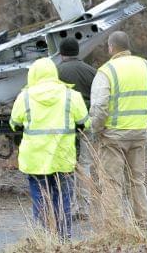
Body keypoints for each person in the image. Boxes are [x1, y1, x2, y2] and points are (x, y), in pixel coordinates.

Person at [9, 58, 90, 241]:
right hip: (63, 157)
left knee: (40, 199)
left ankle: (44, 239)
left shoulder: (25, 97)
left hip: (35, 159)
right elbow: (85, 122)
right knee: (63, 199)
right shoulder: (72, 95)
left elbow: (14, 123)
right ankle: (63, 239)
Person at [89, 31, 147, 231]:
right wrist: (144, 122)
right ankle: (142, 225)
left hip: (113, 137)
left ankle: (114, 228)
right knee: (137, 181)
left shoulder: (106, 71)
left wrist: (97, 129)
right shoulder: (145, 67)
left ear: (111, 48)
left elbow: (100, 106)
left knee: (112, 183)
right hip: (138, 133)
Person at [56, 38, 97, 220]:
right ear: (78, 51)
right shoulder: (91, 71)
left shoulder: (57, 72)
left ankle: (70, 207)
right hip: (87, 123)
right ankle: (85, 208)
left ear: (61, 53)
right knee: (85, 165)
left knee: (67, 166)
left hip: (64, 126)